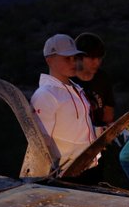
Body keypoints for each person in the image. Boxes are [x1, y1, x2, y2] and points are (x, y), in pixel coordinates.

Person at [31, 33, 97, 171]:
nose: (74, 63)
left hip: (89, 168)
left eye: (75, 58)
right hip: (65, 174)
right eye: (67, 58)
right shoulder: (45, 95)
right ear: (49, 60)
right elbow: (41, 142)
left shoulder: (77, 89)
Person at [74, 32, 115, 131]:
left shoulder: (103, 78)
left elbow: (108, 114)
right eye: (92, 58)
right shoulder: (69, 80)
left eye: (99, 58)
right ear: (79, 57)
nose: (97, 62)